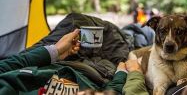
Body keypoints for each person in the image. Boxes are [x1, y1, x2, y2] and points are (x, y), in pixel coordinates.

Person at [0, 29, 129, 94]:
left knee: (75, 21)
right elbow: (110, 92)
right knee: (122, 43)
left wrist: (56, 50)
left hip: (48, 59)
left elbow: (7, 65)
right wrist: (122, 72)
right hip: (96, 75)